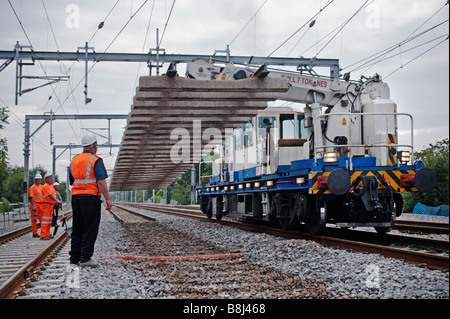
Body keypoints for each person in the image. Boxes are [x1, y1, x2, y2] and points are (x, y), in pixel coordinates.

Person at [69, 133, 112, 267]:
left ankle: (74, 258)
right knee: (90, 228)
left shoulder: (74, 160)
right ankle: (85, 258)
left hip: (76, 197)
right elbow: (101, 181)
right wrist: (108, 199)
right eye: (96, 145)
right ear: (93, 146)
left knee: (77, 228)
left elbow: (72, 181)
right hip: (90, 197)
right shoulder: (95, 160)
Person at [41, 172, 62, 240]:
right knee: (45, 220)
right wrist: (57, 201)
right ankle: (43, 235)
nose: (51, 179)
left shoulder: (51, 186)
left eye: (52, 178)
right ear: (46, 179)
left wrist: (57, 202)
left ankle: (47, 234)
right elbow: (50, 195)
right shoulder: (46, 186)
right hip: (46, 205)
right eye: (50, 178)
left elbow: (54, 195)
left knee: (49, 221)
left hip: (51, 205)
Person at [29, 173, 44, 238]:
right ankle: (34, 233)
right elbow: (31, 197)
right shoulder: (32, 187)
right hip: (35, 205)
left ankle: (43, 232)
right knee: (34, 220)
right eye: (37, 179)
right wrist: (33, 205)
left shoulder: (42, 187)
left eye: (39, 179)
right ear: (35, 180)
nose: (38, 181)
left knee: (42, 219)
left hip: (41, 205)